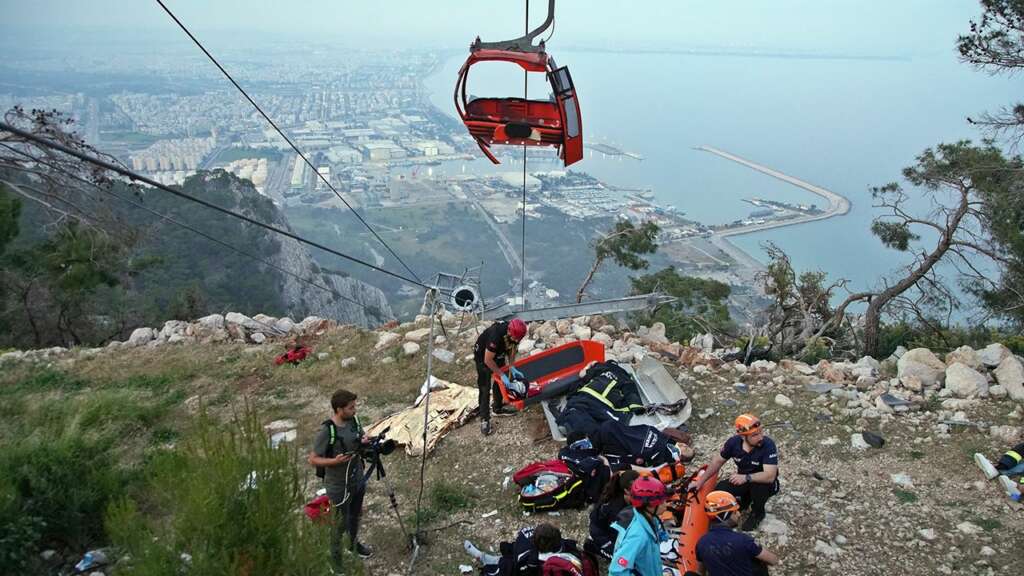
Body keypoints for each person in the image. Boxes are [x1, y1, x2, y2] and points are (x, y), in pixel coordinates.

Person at [308, 389, 373, 570]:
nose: (355, 410)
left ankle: (353, 545)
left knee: (355, 515)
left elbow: (360, 435)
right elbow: (313, 459)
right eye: (351, 407)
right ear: (339, 409)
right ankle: (335, 562)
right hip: (338, 486)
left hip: (358, 478)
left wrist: (365, 439)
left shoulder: (354, 421)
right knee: (339, 524)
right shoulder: (327, 430)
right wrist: (333, 461)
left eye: (355, 406)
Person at [691, 414, 779, 531]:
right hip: (744, 479)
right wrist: (700, 482)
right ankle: (742, 502)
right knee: (721, 488)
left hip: (763, 483)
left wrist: (745, 477)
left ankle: (758, 513)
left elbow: (770, 476)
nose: (760, 437)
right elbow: (717, 462)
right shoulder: (733, 443)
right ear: (743, 437)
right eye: (755, 435)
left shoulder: (768, 445)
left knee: (759, 487)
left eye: (761, 432)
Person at [694, 491, 779, 576]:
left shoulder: (701, 543)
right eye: (735, 512)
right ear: (726, 515)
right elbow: (773, 560)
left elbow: (700, 572)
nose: (739, 514)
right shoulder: (743, 540)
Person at [464, 523, 592, 576]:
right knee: (510, 552)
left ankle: (483, 558)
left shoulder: (533, 560)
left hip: (528, 569)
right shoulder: (565, 547)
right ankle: (487, 558)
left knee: (506, 564)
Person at [474, 318, 528, 435]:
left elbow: (512, 348)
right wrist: (502, 374)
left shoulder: (515, 334)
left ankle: (497, 408)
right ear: (509, 331)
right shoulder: (496, 335)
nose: (516, 340)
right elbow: (488, 360)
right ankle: (484, 419)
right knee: (485, 387)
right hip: (483, 356)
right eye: (514, 338)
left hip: (498, 354)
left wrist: (512, 366)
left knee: (500, 382)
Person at [609, 476, 670, 576]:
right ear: (649, 505)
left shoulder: (649, 517)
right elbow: (616, 571)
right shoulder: (638, 536)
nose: (666, 504)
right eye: (662, 501)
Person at [585, 469, 640, 561]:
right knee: (625, 560)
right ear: (626, 491)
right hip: (603, 534)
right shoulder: (616, 510)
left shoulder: (627, 500)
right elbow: (618, 534)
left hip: (611, 528)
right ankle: (593, 547)